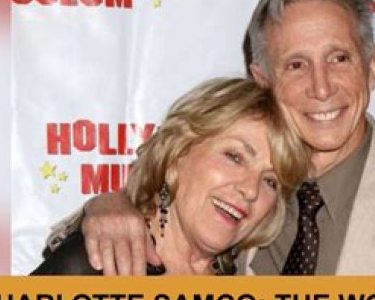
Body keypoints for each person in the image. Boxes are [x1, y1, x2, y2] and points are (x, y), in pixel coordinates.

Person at [49, 0, 375, 275]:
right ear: (262, 80)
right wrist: (106, 208)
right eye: (296, 64)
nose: (321, 87)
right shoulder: (239, 213)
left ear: (372, 68)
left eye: (339, 58)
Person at [33, 78, 309, 275]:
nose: (251, 190)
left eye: (270, 181)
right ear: (179, 152)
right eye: (234, 157)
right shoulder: (96, 265)